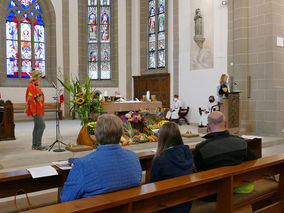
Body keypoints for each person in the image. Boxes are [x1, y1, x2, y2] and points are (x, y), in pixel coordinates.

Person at [60, 114, 142, 202]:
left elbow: (66, 198)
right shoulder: (134, 158)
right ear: (121, 134)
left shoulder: (83, 164)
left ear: (96, 135)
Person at [194, 111, 257, 200]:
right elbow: (253, 160)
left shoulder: (201, 148)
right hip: (238, 186)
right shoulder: (241, 142)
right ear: (226, 124)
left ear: (208, 126)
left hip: (213, 193)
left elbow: (199, 170)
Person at [150, 122, 194, 213]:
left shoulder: (160, 160)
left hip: (167, 207)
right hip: (186, 204)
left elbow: (153, 186)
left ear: (162, 138)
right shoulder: (187, 153)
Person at [25, 70, 46, 150]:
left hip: (39, 109)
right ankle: (38, 145)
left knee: (37, 127)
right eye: (40, 77)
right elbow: (30, 99)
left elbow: (39, 96)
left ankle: (35, 145)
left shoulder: (36, 85)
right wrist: (33, 111)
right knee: (42, 126)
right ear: (36, 77)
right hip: (35, 110)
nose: (41, 78)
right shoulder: (31, 86)